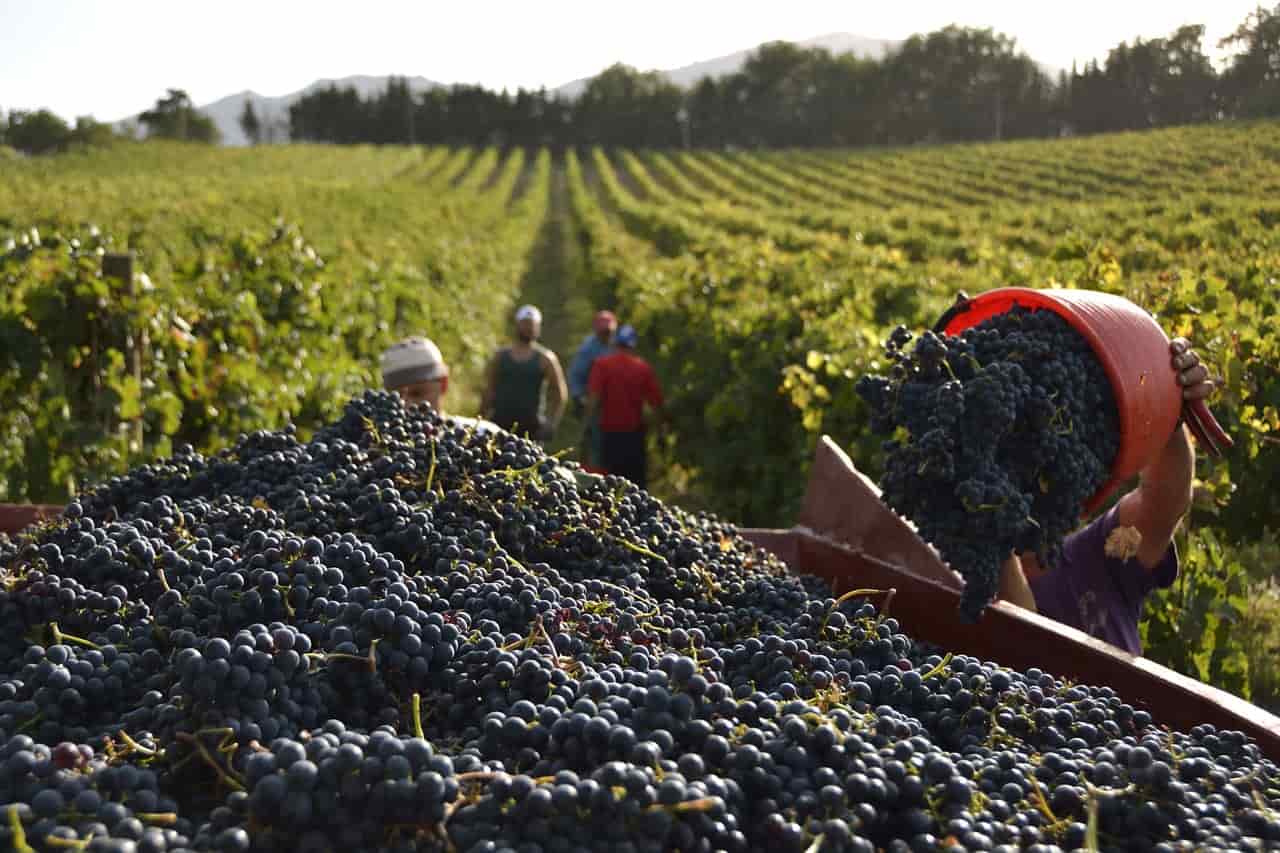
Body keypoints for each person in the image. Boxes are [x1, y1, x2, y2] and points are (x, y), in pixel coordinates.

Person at [995, 337, 1217, 656]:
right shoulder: (957, 583)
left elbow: (1162, 505)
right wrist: (992, 531)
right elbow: (1024, 648)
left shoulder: (1101, 555)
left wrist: (1168, 409)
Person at [586, 324, 665, 489]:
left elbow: (593, 400)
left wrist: (587, 427)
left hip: (609, 436)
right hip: (634, 437)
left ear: (615, 343)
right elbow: (656, 404)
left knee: (609, 487)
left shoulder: (602, 365)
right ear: (633, 344)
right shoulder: (642, 368)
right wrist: (660, 433)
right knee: (636, 487)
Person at [482, 304, 568, 442]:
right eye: (525, 323)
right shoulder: (500, 356)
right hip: (499, 425)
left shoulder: (546, 358)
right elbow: (489, 389)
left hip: (531, 429)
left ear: (538, 328)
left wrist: (551, 423)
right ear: (517, 325)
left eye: (532, 324)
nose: (529, 328)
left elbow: (559, 393)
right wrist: (480, 418)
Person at [380, 336, 496, 432]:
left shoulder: (483, 434)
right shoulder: (378, 446)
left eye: (417, 393)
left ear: (443, 383)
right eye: (397, 397)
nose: (407, 405)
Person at [568, 310, 617, 473]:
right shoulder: (588, 349)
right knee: (596, 442)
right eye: (603, 331)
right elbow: (576, 374)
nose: (606, 334)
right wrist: (579, 397)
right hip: (596, 404)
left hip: (616, 403)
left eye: (608, 331)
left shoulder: (618, 345)